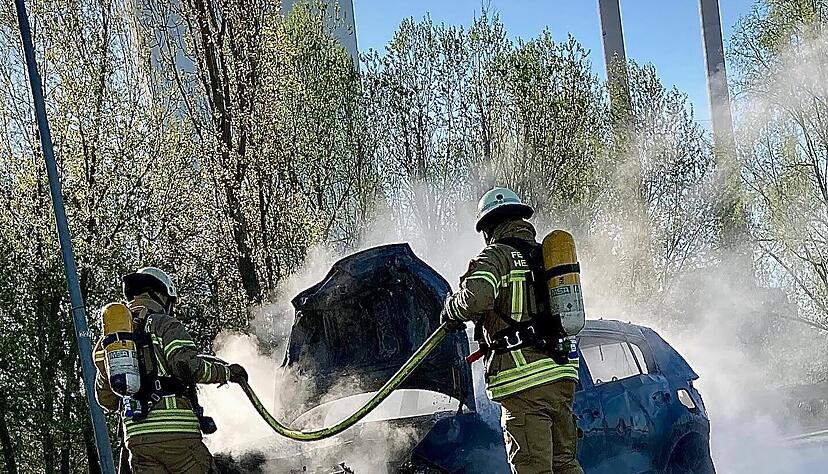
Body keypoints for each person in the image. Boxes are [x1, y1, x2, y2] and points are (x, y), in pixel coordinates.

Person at [441, 188, 584, 474]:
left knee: (533, 468)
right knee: (565, 464)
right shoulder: (544, 255)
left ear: (488, 227)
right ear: (520, 218)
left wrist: (451, 310)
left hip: (525, 381)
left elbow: (476, 297)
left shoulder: (496, 256)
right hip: (561, 377)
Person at [93, 267, 248, 474]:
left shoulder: (114, 342)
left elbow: (107, 400)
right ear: (160, 294)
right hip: (177, 436)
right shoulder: (164, 324)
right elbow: (186, 366)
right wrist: (227, 373)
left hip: (138, 441)